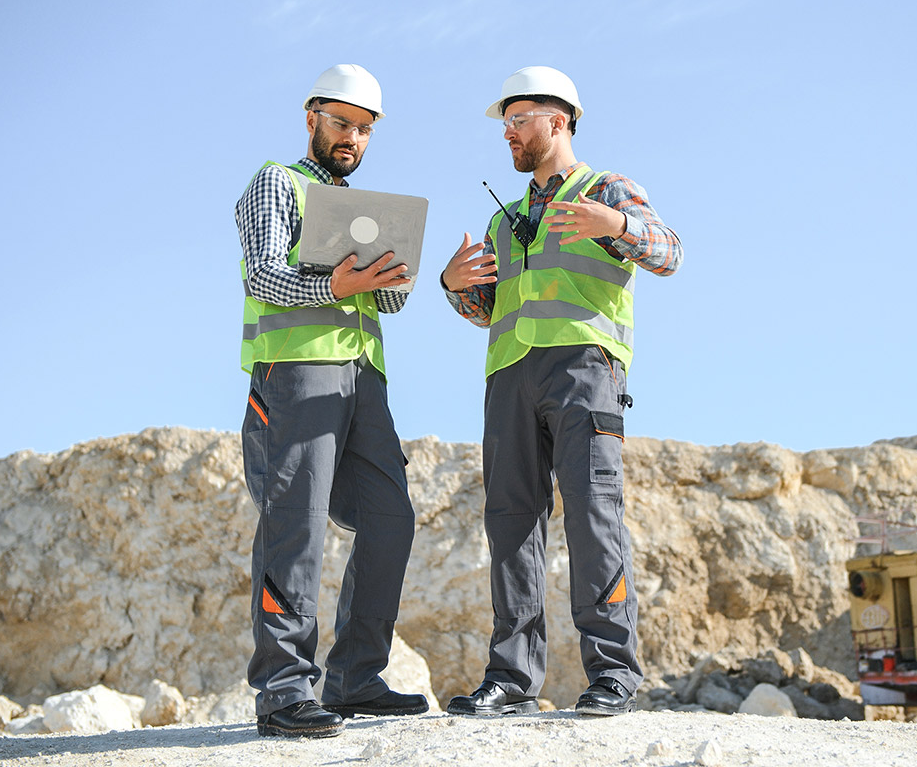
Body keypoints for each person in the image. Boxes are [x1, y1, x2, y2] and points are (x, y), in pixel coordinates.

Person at [439, 66, 683, 717]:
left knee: (593, 514)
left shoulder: (608, 188)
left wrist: (616, 224)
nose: (509, 134)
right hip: (510, 374)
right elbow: (488, 310)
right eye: (506, 125)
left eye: (519, 121)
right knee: (511, 524)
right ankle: (511, 679)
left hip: (585, 368)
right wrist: (454, 284)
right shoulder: (506, 218)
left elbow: (669, 252)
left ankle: (612, 676)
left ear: (558, 119)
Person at [235, 64, 426, 738]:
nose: (352, 137)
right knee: (297, 526)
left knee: (391, 518)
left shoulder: (365, 207)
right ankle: (284, 689)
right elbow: (264, 273)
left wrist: (391, 273)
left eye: (364, 129)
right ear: (311, 115)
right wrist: (336, 287)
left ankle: (353, 677)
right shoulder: (275, 182)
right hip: (295, 376)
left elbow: (393, 300)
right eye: (342, 122)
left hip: (363, 379)